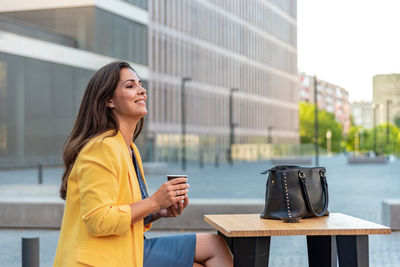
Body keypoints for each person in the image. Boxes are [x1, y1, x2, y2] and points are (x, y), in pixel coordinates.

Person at [53, 61, 233, 267]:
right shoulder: (101, 148)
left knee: (212, 248)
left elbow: (123, 212)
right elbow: (99, 221)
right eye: (130, 86)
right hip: (104, 258)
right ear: (109, 100)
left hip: (125, 249)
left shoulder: (129, 149)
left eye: (140, 84)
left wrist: (158, 212)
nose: (142, 90)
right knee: (213, 246)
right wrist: (155, 201)